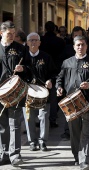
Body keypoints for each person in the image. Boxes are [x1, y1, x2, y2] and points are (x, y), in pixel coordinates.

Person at [56, 35, 89, 170]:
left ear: (86, 46)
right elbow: (60, 78)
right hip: (71, 104)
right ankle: (77, 156)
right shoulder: (67, 63)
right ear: (73, 47)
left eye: (82, 44)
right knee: (74, 132)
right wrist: (59, 87)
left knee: (87, 132)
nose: (80, 47)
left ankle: (85, 160)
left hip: (88, 102)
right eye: (77, 45)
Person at [0, 21, 29, 166]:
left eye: (13, 33)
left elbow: (30, 66)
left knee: (15, 124)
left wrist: (23, 68)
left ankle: (15, 154)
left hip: (15, 92)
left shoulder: (20, 49)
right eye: (9, 34)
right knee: (2, 125)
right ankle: (4, 154)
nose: (12, 36)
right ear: (1, 33)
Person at [24, 32, 57, 151]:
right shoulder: (22, 57)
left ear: (39, 43)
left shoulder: (46, 57)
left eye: (35, 40)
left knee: (43, 116)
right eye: (31, 40)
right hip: (27, 92)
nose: (33, 42)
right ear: (27, 43)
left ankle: (43, 141)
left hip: (43, 92)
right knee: (29, 117)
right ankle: (32, 141)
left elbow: (54, 73)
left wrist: (50, 80)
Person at [60, 26, 87, 140]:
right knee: (70, 113)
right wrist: (60, 86)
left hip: (84, 92)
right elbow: (62, 71)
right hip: (70, 88)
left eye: (79, 35)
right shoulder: (66, 51)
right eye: (75, 36)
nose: (80, 46)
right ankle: (68, 131)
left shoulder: (88, 57)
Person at [40, 21, 65, 128]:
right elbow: (63, 56)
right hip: (57, 69)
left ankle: (41, 118)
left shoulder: (41, 40)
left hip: (42, 70)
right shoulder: (60, 41)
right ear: (55, 29)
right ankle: (53, 119)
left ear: (45, 29)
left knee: (41, 95)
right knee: (54, 96)